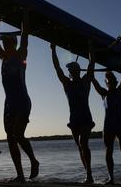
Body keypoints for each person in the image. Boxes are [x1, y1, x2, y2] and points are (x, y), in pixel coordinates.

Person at [0, 11, 39, 182]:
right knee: (10, 139)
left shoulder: (20, 55)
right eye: (5, 43)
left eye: (8, 42)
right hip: (9, 103)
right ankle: (20, 175)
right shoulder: (2, 57)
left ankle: (34, 161)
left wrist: (25, 16)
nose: (5, 45)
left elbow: (25, 35)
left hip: (22, 101)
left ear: (13, 43)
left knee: (18, 134)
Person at [50, 43, 96, 183]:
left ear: (78, 71)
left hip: (86, 117)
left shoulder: (85, 81)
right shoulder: (67, 84)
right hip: (74, 119)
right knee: (79, 147)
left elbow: (91, 64)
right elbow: (57, 69)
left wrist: (90, 48)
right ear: (70, 72)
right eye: (71, 70)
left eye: (74, 70)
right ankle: (88, 174)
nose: (73, 72)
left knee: (83, 144)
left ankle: (89, 175)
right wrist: (53, 50)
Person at [92, 70, 121, 185]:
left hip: (120, 124)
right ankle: (111, 178)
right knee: (108, 152)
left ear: (116, 82)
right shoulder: (103, 93)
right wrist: (91, 70)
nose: (111, 82)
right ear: (106, 83)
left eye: (113, 81)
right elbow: (93, 79)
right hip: (108, 126)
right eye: (109, 81)